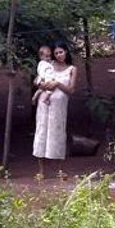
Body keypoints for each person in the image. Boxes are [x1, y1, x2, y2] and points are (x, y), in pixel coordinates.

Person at [31, 41, 76, 178]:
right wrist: (44, 85)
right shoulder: (48, 65)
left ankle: (60, 170)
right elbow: (37, 81)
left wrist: (57, 84)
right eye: (56, 53)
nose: (58, 55)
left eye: (61, 52)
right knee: (41, 133)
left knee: (58, 134)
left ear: (66, 52)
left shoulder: (72, 69)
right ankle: (41, 171)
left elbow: (71, 90)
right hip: (44, 104)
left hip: (59, 106)